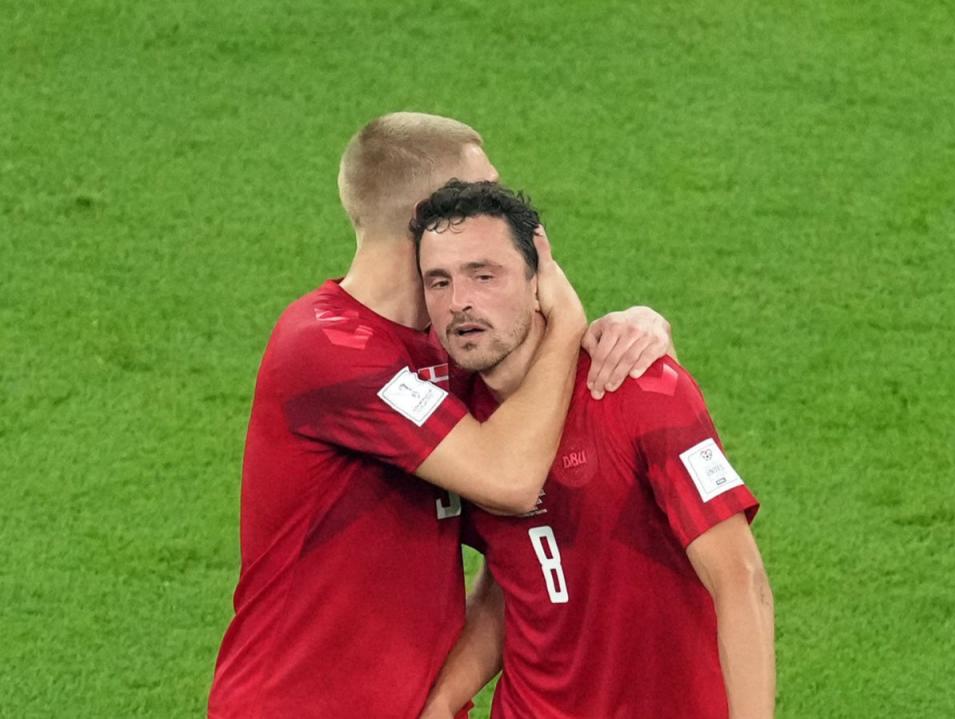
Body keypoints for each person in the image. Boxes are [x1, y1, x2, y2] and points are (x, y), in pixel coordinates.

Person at [207, 113, 676, 718]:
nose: (509, 211)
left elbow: (535, 527)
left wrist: (639, 322)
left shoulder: (456, 346)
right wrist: (568, 326)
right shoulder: (326, 346)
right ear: (431, 215)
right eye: (483, 192)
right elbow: (508, 481)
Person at [412, 181, 775, 719]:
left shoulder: (640, 389)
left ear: (540, 274)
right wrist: (441, 702)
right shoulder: (453, 419)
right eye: (438, 281)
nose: (459, 300)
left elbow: (740, 581)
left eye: (484, 275)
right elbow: (516, 580)